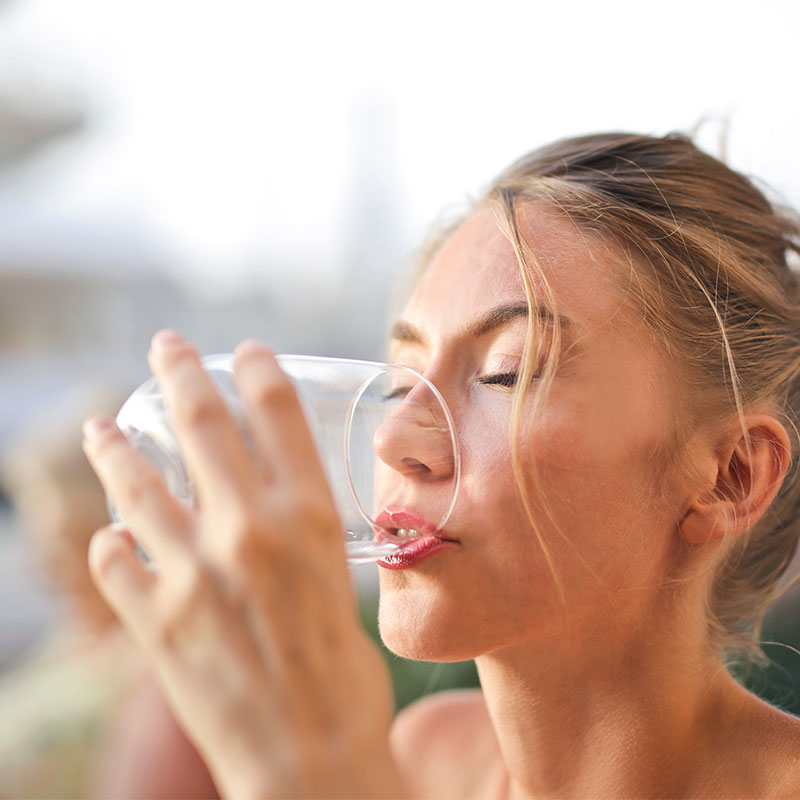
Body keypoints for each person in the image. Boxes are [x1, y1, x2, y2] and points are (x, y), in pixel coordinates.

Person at [82, 132, 800, 799]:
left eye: (504, 373)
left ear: (730, 475)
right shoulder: (429, 758)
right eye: (401, 382)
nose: (396, 436)